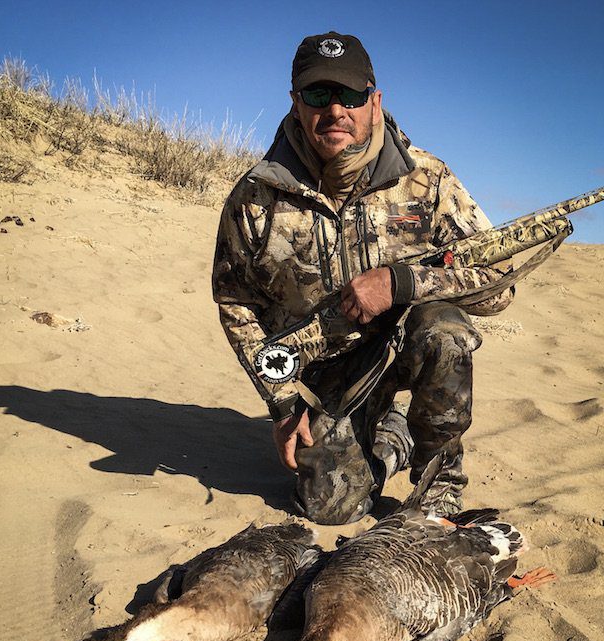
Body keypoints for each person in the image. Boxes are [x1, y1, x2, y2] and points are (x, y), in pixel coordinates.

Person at [212, 31, 513, 524]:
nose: (335, 110)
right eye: (317, 95)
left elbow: (499, 284)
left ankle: (438, 487)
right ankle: (394, 433)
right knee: (331, 510)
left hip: (408, 347)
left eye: (350, 95)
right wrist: (284, 401)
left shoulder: (428, 178)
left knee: (445, 331)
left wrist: (404, 283)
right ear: (295, 102)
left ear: (375, 101)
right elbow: (234, 300)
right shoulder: (255, 197)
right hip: (325, 376)